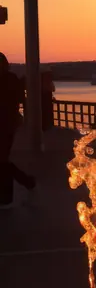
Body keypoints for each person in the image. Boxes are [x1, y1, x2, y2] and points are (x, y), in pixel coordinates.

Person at [0, 52, 35, 208]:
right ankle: (26, 181)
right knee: (3, 160)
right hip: (8, 123)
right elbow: (22, 99)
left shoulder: (10, 80)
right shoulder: (12, 79)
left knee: (3, 161)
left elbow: (20, 99)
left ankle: (9, 196)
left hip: (6, 124)